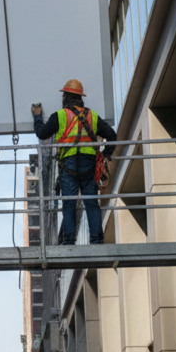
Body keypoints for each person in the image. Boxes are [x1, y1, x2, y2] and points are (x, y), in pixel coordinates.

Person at [32, 79, 117, 245]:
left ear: (65, 97)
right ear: (80, 98)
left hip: (68, 166)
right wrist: (106, 155)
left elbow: (42, 133)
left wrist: (37, 117)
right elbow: (112, 136)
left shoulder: (60, 115)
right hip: (89, 165)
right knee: (91, 203)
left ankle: (69, 240)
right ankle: (97, 239)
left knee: (69, 203)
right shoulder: (92, 116)